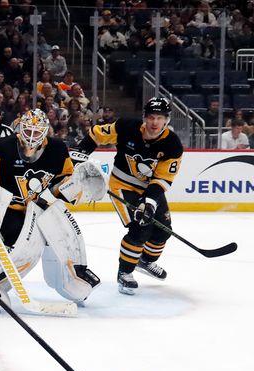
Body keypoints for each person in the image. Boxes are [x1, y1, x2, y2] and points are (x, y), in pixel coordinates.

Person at [0, 109, 102, 311]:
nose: (31, 137)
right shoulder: (0, 148)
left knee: (62, 231)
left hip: (40, 207)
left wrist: (76, 185)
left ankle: (72, 280)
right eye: (28, 130)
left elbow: (64, 179)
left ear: (45, 131)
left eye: (36, 132)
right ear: (19, 127)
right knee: (20, 241)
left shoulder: (58, 149)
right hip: (9, 209)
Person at [74, 97, 184, 295]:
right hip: (122, 185)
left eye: (160, 118)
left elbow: (163, 178)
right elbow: (96, 134)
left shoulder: (172, 144)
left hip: (150, 188)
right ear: (144, 117)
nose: (154, 122)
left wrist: (149, 202)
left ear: (166, 120)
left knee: (163, 232)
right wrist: (79, 155)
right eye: (151, 117)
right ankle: (124, 273)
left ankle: (145, 261)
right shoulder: (126, 127)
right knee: (140, 228)